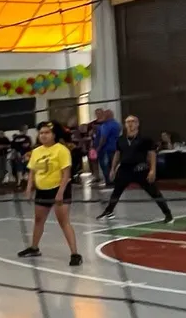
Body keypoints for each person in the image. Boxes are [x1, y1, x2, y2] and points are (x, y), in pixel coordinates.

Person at [18, 122, 81, 266]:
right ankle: (34, 248)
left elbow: (66, 173)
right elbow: (32, 171)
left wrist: (60, 192)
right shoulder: (36, 151)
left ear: (54, 135)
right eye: (41, 133)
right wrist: (29, 188)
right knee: (38, 220)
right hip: (42, 190)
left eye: (47, 132)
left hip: (59, 189)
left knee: (63, 222)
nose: (43, 135)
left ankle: (75, 253)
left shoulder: (61, 150)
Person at [98, 115, 173, 222]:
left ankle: (168, 214)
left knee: (154, 192)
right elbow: (117, 154)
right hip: (124, 169)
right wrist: (113, 169)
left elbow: (152, 154)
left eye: (133, 121)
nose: (130, 124)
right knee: (116, 192)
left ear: (137, 124)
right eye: (128, 122)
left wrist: (152, 170)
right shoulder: (121, 140)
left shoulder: (145, 139)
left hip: (140, 169)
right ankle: (109, 211)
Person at [94, 109, 121, 187]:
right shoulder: (117, 124)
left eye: (104, 115)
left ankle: (109, 182)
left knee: (106, 166)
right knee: (113, 165)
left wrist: (98, 148)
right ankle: (114, 180)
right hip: (115, 148)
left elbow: (103, 138)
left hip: (106, 149)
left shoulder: (106, 125)